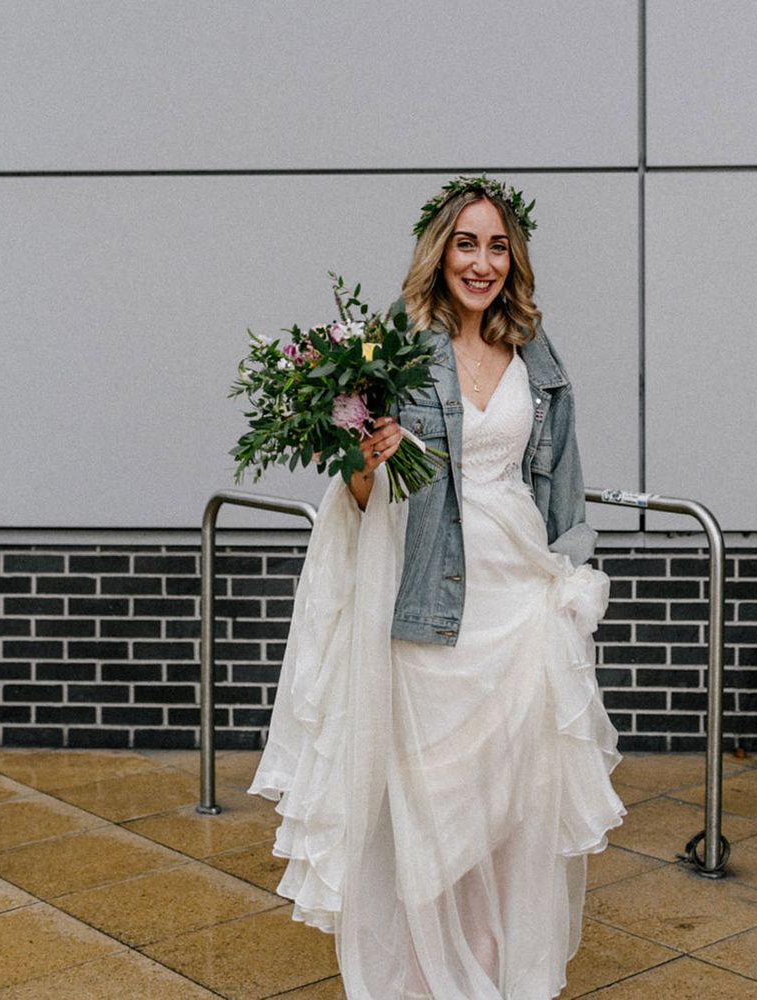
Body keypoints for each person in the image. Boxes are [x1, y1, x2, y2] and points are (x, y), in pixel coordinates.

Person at [249, 176, 624, 999]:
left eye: (497, 245)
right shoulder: (395, 351)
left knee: (513, 804)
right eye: (466, 243)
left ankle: (494, 972)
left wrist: (572, 577)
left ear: (512, 259)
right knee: (427, 801)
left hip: (520, 600)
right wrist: (365, 460)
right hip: (427, 600)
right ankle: (423, 980)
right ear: (440, 252)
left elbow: (560, 484)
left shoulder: (538, 355)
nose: (481, 262)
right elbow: (355, 495)